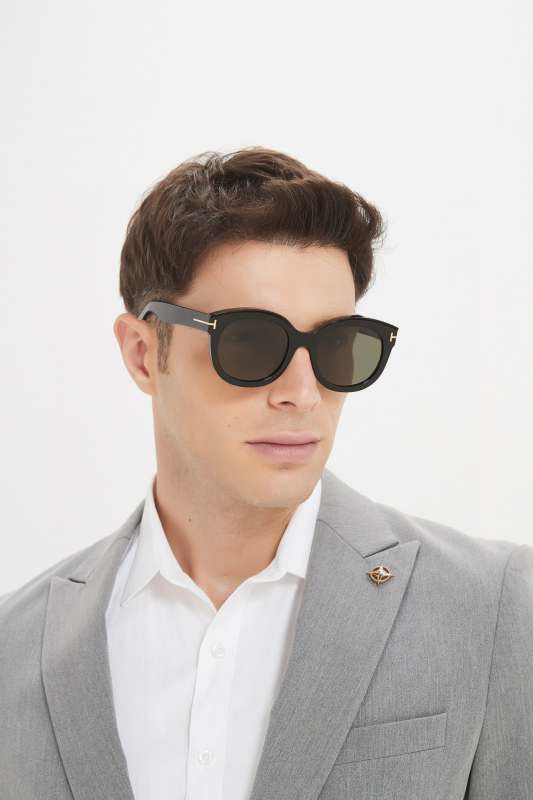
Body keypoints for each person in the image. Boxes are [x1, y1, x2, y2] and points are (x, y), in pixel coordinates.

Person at [1, 147, 531, 800]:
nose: (302, 394)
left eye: (338, 346)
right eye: (250, 342)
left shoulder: (491, 607)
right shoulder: (15, 648)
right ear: (142, 353)